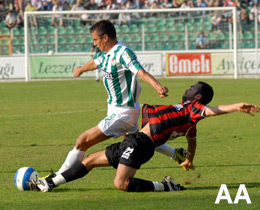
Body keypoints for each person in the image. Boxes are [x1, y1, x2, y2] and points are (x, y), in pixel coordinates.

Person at [26, 81, 259, 193]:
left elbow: (212, 110)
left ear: (197, 96)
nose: (187, 88)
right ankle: (49, 183)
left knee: (121, 184)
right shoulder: (188, 118)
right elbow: (192, 140)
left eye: (191, 87)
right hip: (134, 140)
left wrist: (236, 106)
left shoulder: (193, 109)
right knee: (89, 161)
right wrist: (188, 159)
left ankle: (165, 187)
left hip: (141, 145)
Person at [51, 20, 169, 177]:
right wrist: (80, 70)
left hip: (124, 113)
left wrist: (157, 86)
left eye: (95, 40)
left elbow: (140, 71)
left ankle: (57, 177)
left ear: (105, 37)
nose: (94, 43)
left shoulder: (123, 53)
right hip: (117, 110)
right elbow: (95, 63)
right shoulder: (105, 54)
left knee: (83, 141)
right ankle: (176, 154)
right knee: (137, 142)